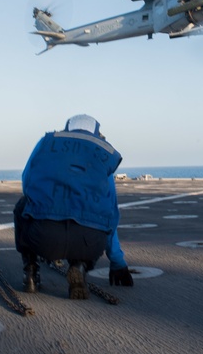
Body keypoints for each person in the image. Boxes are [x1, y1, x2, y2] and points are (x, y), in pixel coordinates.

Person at [13, 114, 134, 299]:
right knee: (99, 216)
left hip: (44, 239)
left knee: (22, 206)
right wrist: (118, 263)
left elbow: (26, 182)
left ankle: (30, 272)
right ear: (96, 132)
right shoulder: (102, 157)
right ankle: (80, 266)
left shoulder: (47, 143)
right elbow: (110, 214)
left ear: (67, 128)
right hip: (88, 243)